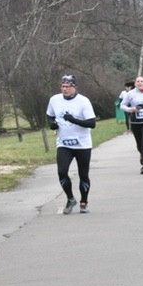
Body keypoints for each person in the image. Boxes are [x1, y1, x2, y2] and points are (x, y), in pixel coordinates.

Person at [46, 75, 97, 214]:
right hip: (63, 143)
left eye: (68, 86)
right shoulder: (54, 100)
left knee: (83, 174)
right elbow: (49, 115)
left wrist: (73, 120)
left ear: (74, 87)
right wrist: (51, 124)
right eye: (62, 86)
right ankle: (70, 199)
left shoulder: (83, 101)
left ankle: (84, 202)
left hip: (82, 144)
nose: (65, 89)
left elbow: (92, 123)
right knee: (62, 172)